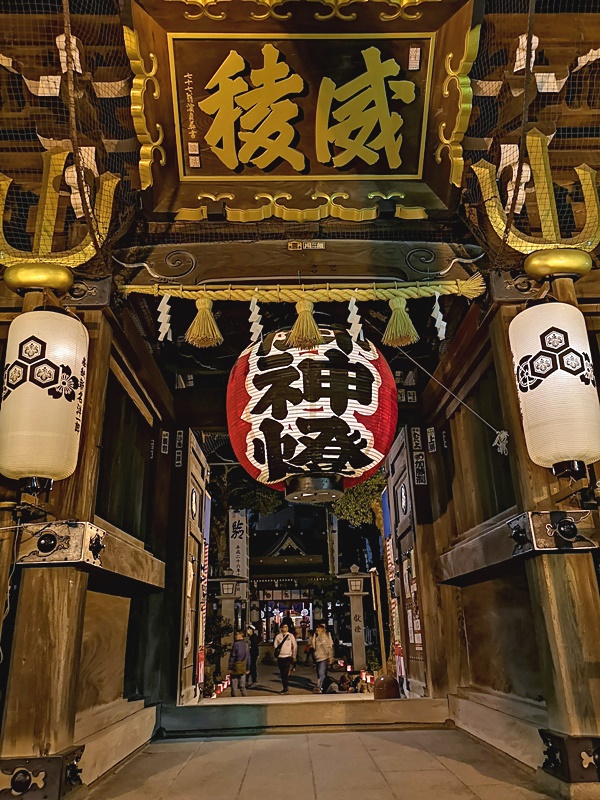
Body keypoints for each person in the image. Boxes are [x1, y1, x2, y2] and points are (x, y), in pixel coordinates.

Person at [273, 622, 297, 694]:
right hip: (280, 657)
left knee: (285, 672)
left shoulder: (290, 636)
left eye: (287, 627)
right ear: (281, 628)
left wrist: (294, 655)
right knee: (282, 673)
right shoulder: (278, 636)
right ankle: (285, 687)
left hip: (288, 656)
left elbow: (294, 645)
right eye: (284, 627)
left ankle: (286, 688)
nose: (286, 628)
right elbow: (275, 645)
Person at [312, 623, 334, 693]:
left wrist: (331, 656)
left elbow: (330, 646)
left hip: (324, 656)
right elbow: (313, 646)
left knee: (321, 672)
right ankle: (324, 685)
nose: (317, 630)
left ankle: (320, 687)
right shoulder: (315, 636)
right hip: (317, 657)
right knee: (320, 673)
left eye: (319, 628)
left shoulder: (327, 635)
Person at [228, 630, 248, 697]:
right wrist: (248, 667)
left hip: (235, 666)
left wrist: (230, 666)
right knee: (242, 684)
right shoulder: (246, 644)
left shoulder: (236, 644)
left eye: (237, 634)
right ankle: (244, 697)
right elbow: (248, 656)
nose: (235, 636)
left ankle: (234, 698)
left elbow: (233, 656)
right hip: (243, 665)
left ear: (240, 635)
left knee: (234, 684)